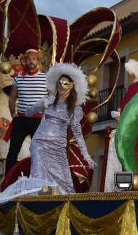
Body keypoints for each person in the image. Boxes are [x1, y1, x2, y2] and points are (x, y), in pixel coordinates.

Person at [24, 63, 95, 194]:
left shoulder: (75, 110)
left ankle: (58, 209)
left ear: (72, 86)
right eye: (60, 83)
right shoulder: (48, 100)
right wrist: (40, 105)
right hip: (39, 144)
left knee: (64, 184)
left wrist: (86, 156)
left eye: (66, 84)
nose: (62, 86)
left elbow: (78, 134)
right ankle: (38, 206)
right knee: (39, 178)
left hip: (58, 149)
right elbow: (27, 113)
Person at [4, 49, 49, 174]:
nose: (31, 61)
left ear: (38, 61)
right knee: (13, 150)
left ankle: (40, 180)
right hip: (21, 120)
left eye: (33, 59)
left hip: (39, 121)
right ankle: (8, 181)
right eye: (28, 59)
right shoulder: (18, 78)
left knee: (40, 151)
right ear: (25, 61)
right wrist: (13, 115)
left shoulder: (46, 78)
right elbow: (12, 98)